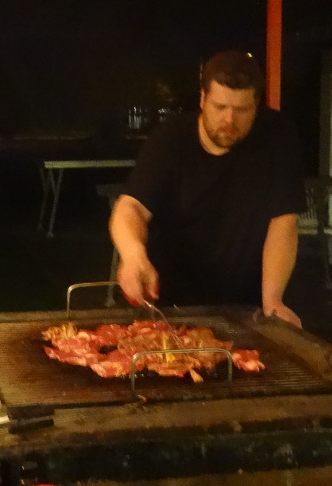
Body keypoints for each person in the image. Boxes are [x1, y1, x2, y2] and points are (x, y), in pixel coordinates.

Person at [109, 50, 306, 328]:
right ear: (203, 99)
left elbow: (283, 220)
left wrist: (273, 300)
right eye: (220, 107)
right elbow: (131, 207)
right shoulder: (171, 139)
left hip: (246, 305)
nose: (229, 120)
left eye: (241, 110)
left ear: (256, 104)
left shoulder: (278, 135)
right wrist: (133, 255)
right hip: (167, 304)